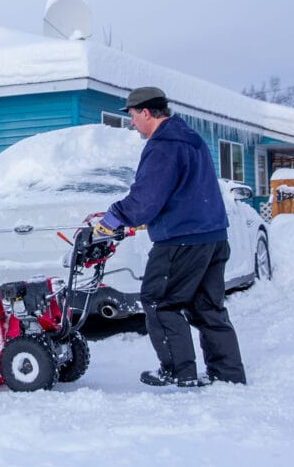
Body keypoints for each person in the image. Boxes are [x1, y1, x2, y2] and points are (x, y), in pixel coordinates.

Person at [93, 86, 247, 387]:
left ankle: (178, 371)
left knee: (159, 301)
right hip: (213, 236)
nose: (132, 123)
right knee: (207, 306)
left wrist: (113, 218)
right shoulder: (191, 138)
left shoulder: (163, 144)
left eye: (133, 116)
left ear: (147, 113)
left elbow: (147, 198)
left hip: (182, 239)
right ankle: (228, 374)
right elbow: (181, 190)